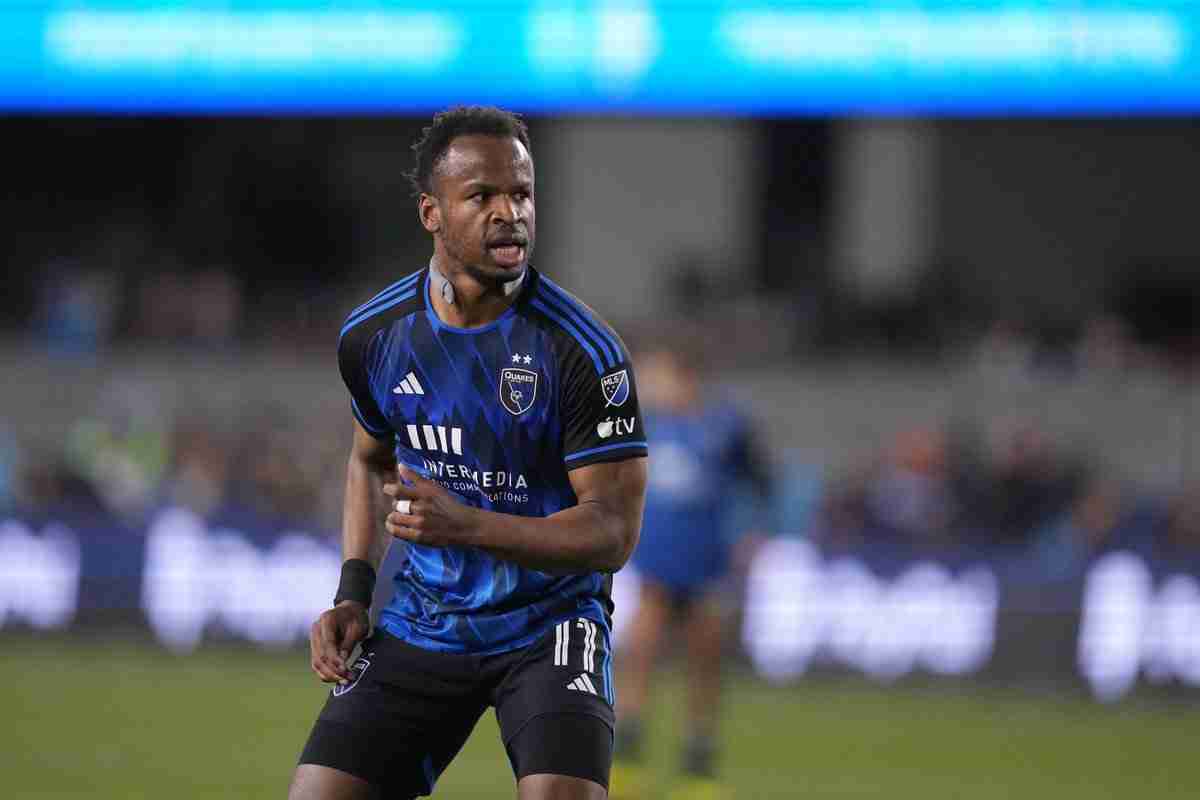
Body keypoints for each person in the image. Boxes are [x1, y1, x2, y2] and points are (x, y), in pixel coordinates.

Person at [289, 106, 649, 800]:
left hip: (552, 626)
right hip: (427, 619)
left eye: (521, 193)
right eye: (482, 196)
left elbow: (611, 533)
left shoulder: (584, 353)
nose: (508, 212)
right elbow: (369, 460)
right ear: (432, 212)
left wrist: (467, 526)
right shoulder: (376, 337)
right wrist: (354, 592)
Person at [610, 343, 771, 800]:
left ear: (686, 378)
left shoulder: (726, 425)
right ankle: (626, 762)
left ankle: (698, 767)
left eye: (661, 378)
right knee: (639, 657)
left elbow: (759, 478)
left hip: (707, 561)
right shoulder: (641, 427)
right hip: (656, 560)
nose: (653, 387)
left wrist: (756, 531)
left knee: (705, 663)